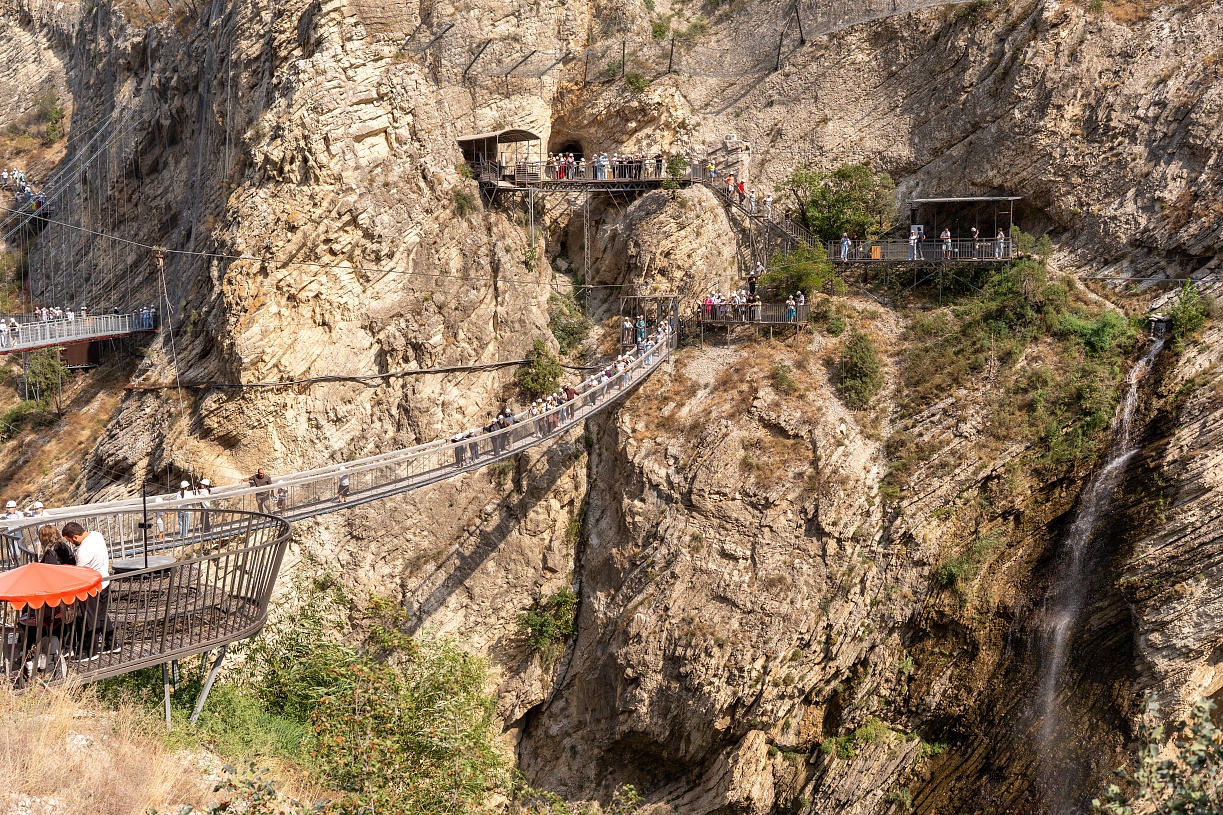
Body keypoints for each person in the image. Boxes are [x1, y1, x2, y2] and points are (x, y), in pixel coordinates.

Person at [61, 521, 116, 657]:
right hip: (105, 581)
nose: (70, 543)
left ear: (75, 537)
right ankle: (112, 644)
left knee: (90, 618)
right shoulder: (97, 535)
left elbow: (79, 574)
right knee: (102, 615)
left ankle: (91, 651)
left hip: (91, 588)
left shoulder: (82, 552)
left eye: (69, 540)